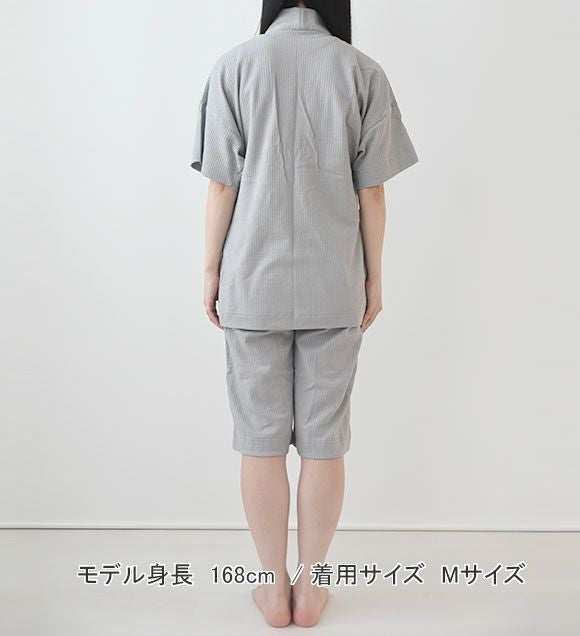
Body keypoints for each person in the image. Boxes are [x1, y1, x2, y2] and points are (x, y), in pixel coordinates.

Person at [190, 0, 418, 627]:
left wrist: (210, 270)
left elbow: (221, 185)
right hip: (333, 282)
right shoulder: (361, 70)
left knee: (259, 439)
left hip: (252, 283)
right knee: (324, 441)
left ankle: (272, 590)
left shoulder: (235, 67)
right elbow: (373, 191)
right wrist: (374, 276)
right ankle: (311, 589)